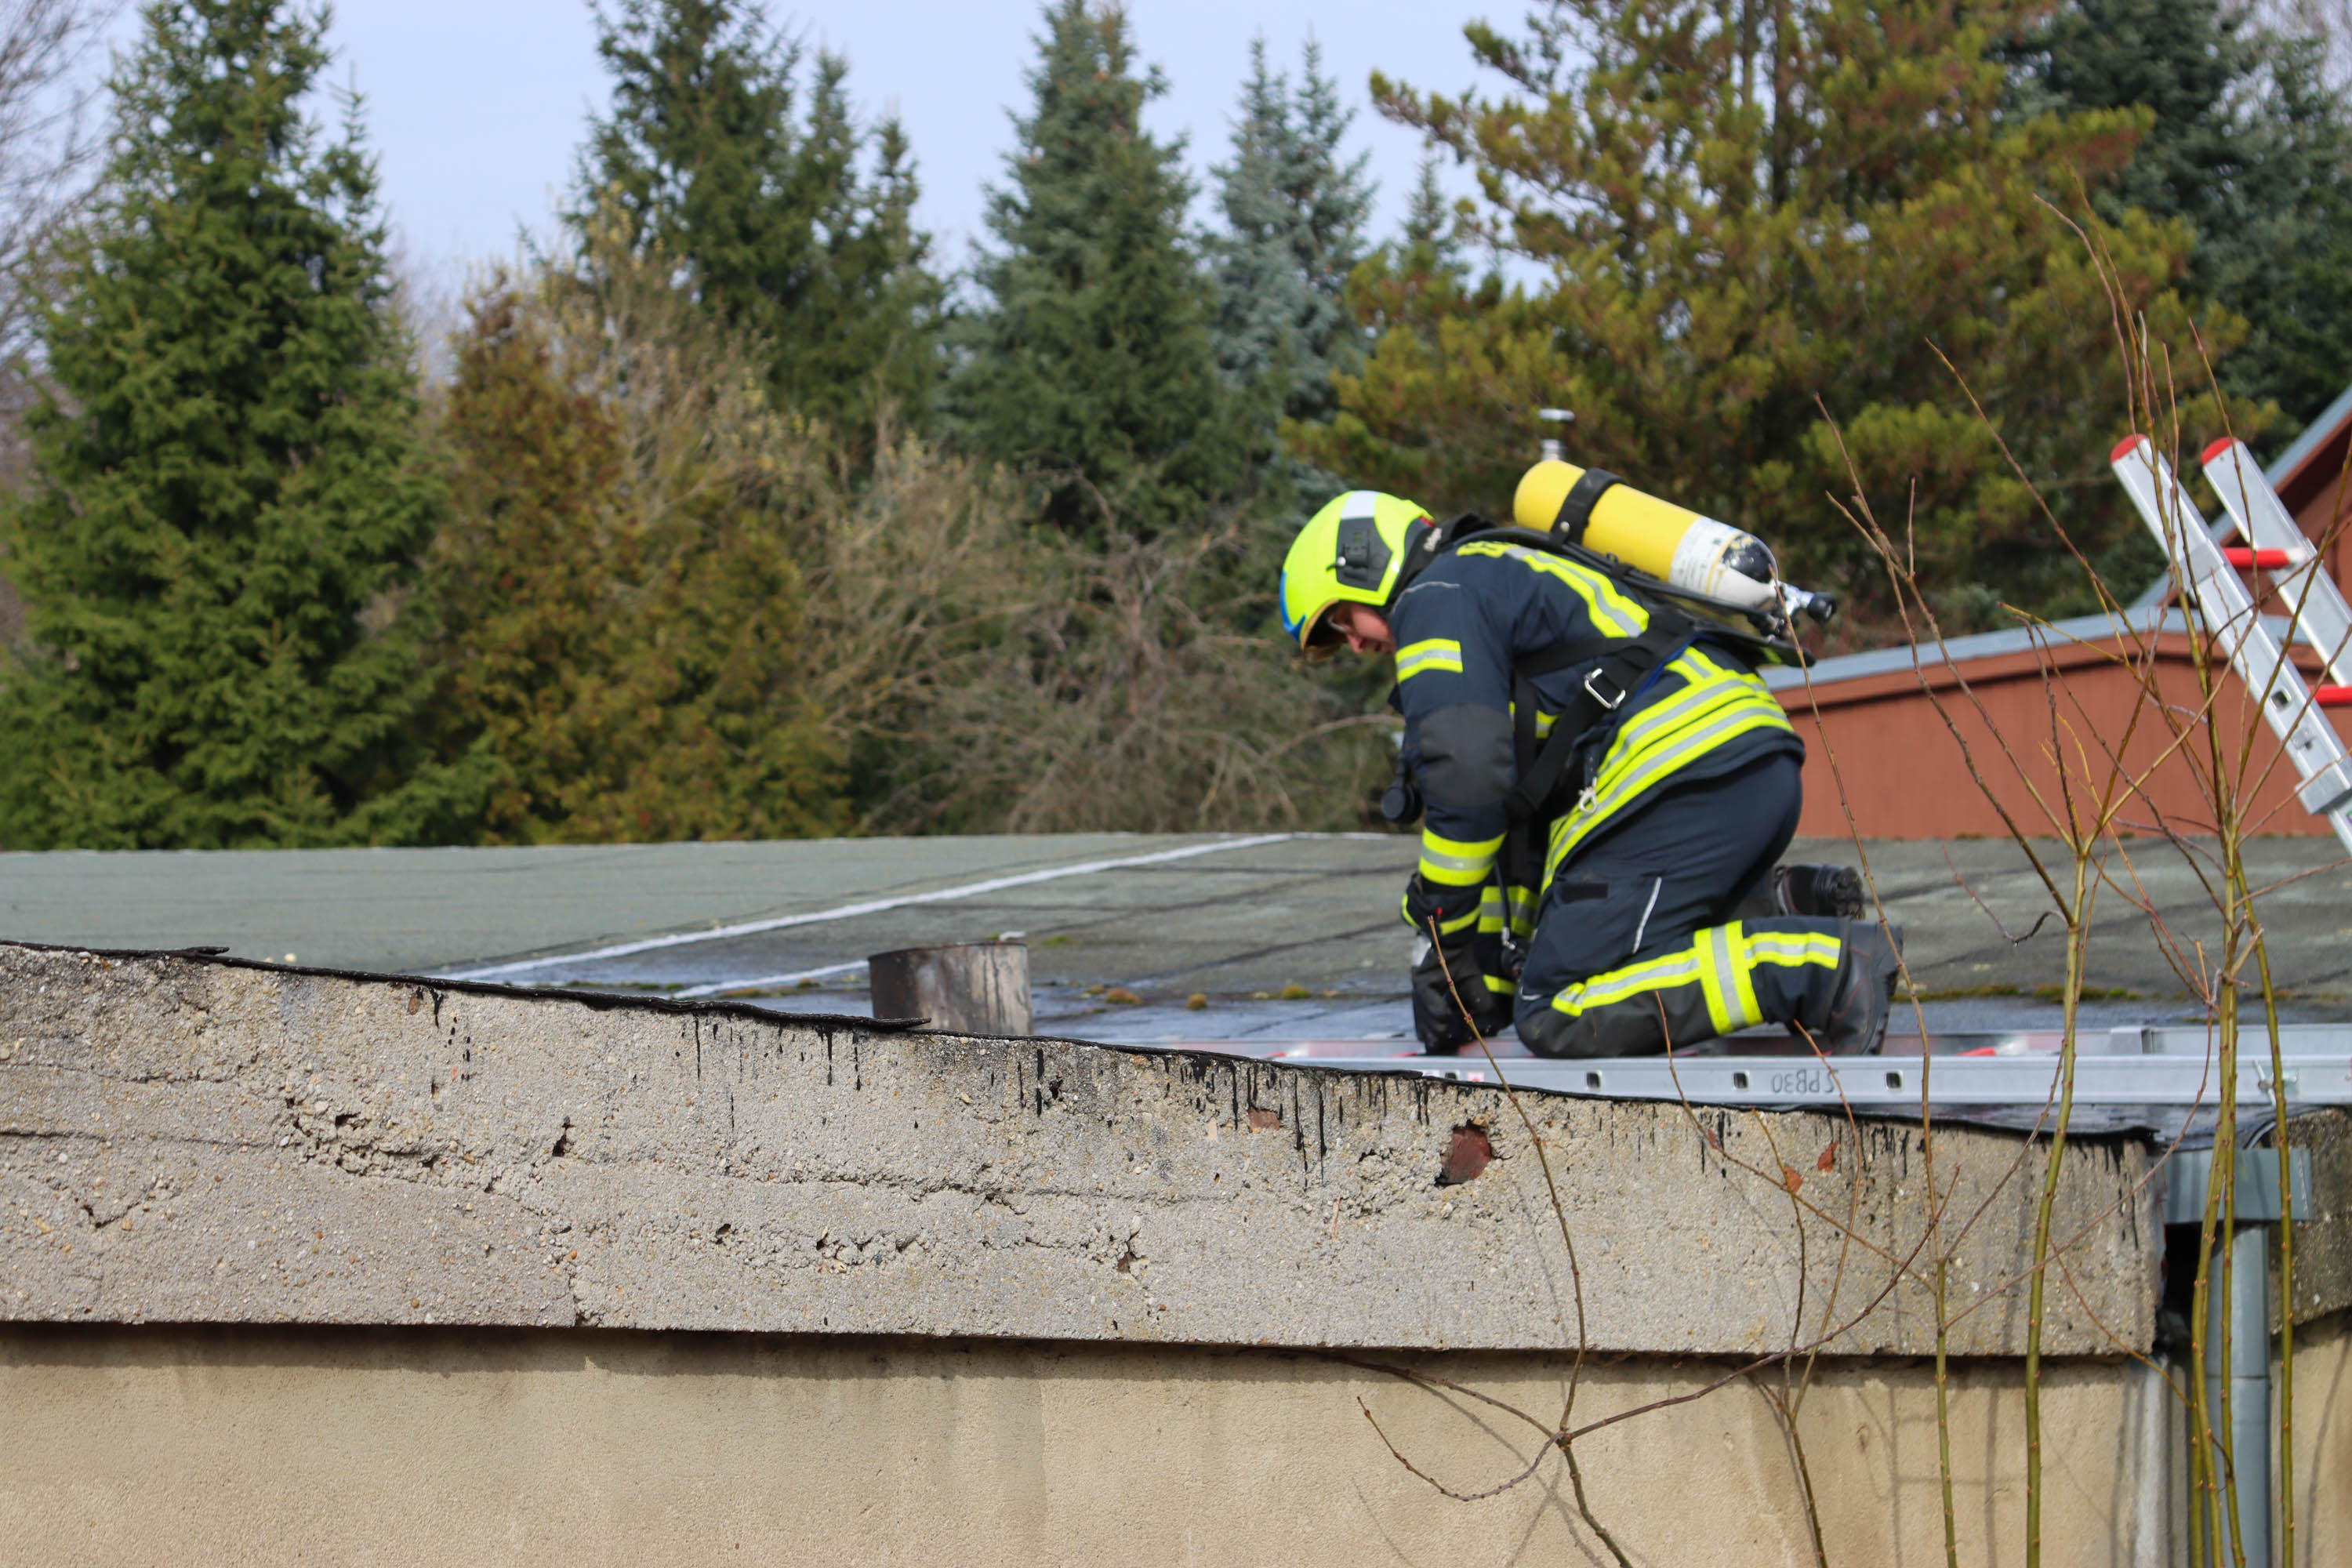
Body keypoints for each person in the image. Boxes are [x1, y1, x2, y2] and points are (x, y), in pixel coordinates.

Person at [1278, 488, 1901, 1058]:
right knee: (1594, 953)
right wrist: (1483, 988)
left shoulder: (1438, 597)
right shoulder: (1500, 575)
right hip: (1738, 755)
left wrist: (1441, 933)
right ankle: (1775, 909)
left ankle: (1826, 969)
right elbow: (1517, 834)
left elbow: (1464, 785)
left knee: (1555, 1012)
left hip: (1679, 771)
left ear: (1364, 565)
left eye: (1338, 621)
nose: (1354, 647)